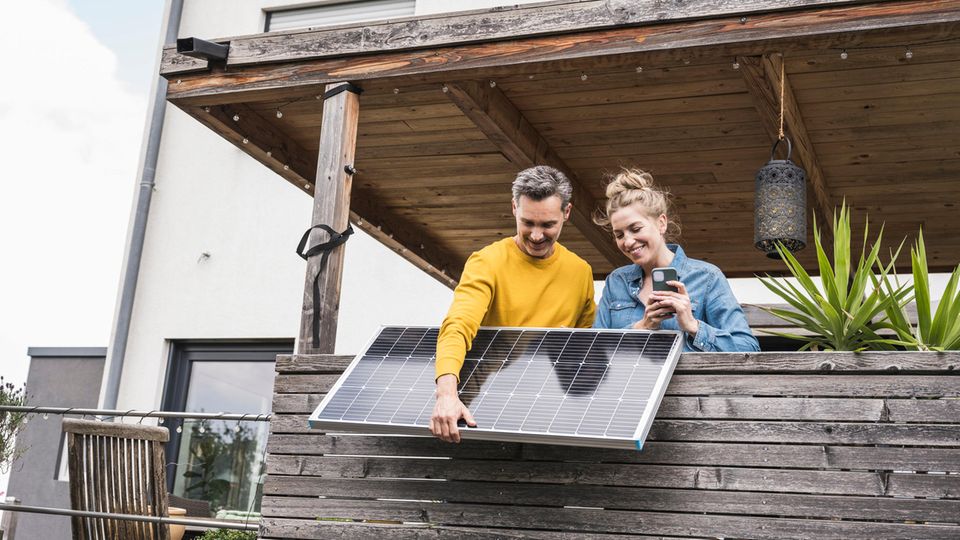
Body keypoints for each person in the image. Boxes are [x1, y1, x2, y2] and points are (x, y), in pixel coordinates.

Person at [430, 165, 596, 443]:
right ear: (514, 209)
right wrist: (447, 394)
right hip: (485, 406)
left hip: (549, 411)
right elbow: (458, 325)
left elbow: (581, 346)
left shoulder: (580, 272)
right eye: (527, 222)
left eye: (547, 225)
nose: (536, 235)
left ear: (566, 213)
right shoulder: (487, 262)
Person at [593, 169, 759, 352]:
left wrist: (693, 325)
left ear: (661, 223)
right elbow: (596, 352)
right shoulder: (617, 282)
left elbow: (748, 349)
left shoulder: (707, 277)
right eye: (619, 235)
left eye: (636, 228)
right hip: (630, 381)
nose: (628, 241)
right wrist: (641, 327)